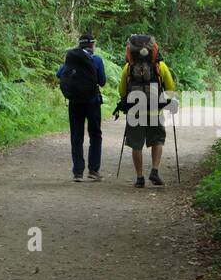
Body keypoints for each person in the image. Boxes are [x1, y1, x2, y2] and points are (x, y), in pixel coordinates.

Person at [112, 33, 176, 187]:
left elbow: (122, 90)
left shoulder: (129, 67)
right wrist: (168, 102)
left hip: (135, 112)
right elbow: (171, 88)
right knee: (157, 140)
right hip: (155, 110)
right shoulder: (160, 66)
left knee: (136, 144)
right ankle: (154, 170)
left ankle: (140, 178)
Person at [56, 33, 107, 182]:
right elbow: (102, 81)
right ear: (92, 45)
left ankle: (78, 172)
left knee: (76, 136)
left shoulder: (71, 59)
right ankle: (93, 170)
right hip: (92, 102)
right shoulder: (96, 60)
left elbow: (59, 74)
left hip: (75, 102)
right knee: (95, 135)